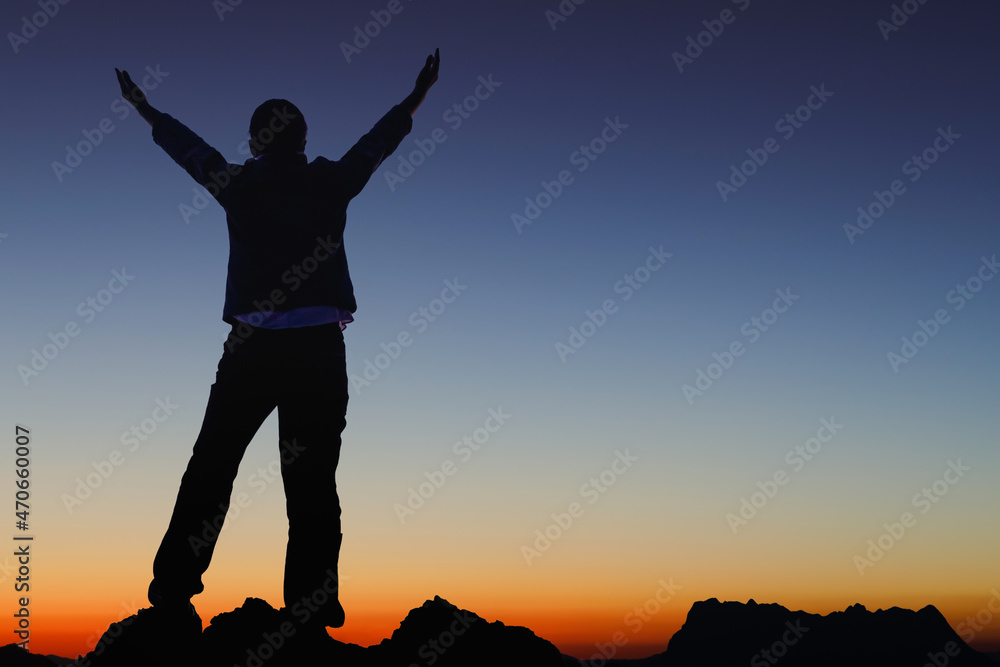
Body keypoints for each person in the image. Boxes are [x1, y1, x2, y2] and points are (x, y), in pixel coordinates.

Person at [115, 48, 440, 633]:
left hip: (252, 352)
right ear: (302, 138)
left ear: (256, 141)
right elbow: (379, 141)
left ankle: (173, 589)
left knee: (213, 466)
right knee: (312, 476)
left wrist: (145, 107)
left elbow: (189, 149)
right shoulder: (331, 181)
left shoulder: (239, 184)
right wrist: (417, 95)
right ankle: (311, 605)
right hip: (316, 350)